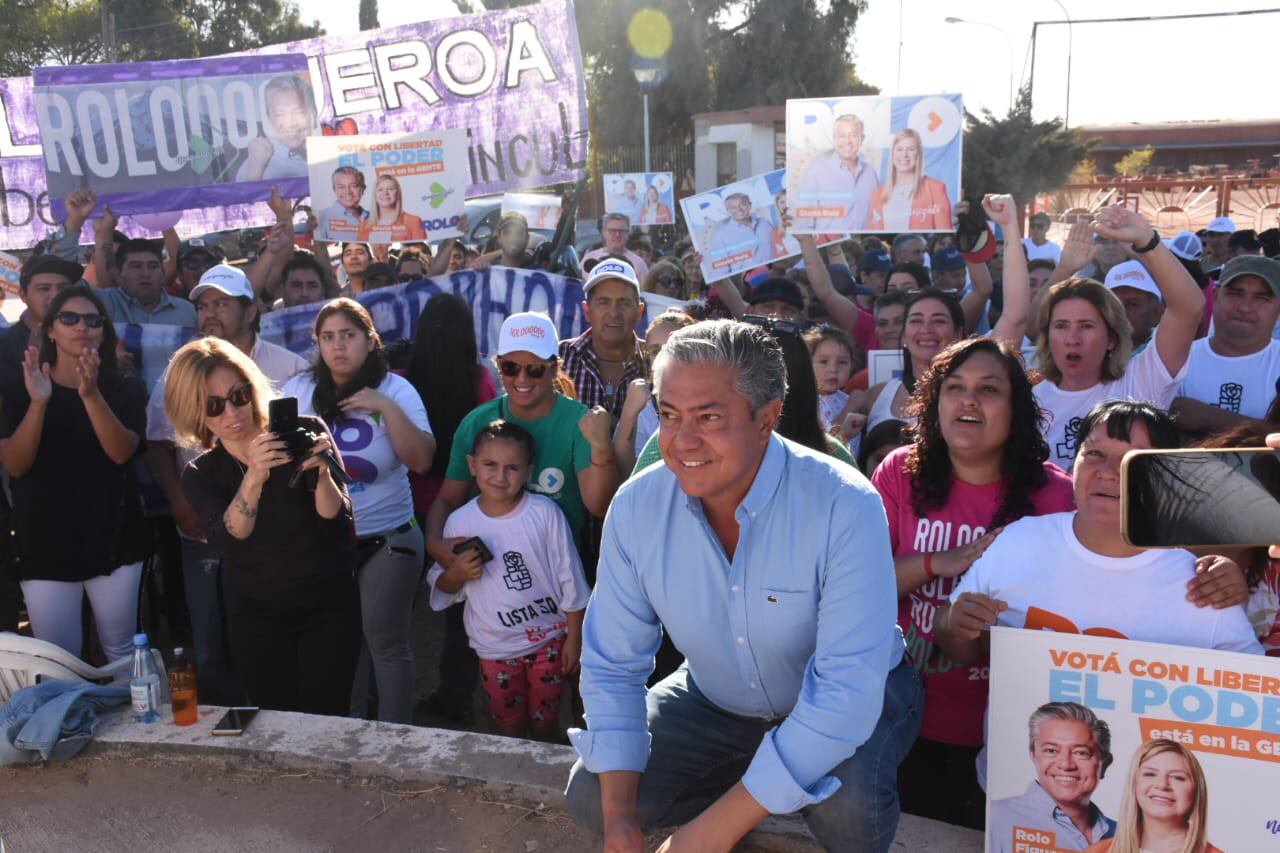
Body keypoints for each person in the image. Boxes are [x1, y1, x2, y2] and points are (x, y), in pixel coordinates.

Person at [563, 319, 922, 852]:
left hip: (857, 692)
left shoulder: (845, 503)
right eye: (668, 415)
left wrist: (708, 833)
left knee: (847, 815)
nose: (682, 441)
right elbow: (613, 662)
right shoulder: (638, 506)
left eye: (709, 417)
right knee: (595, 796)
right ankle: (757, 780)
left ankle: (754, 790)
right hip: (715, 697)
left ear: (767, 418)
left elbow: (845, 692)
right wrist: (620, 821)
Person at [871, 338, 1075, 829]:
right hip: (904, 716)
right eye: (954, 387)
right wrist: (939, 563)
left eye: (988, 389)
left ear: (1017, 408)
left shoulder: (1058, 494)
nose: (968, 400)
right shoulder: (899, 473)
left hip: (1010, 731)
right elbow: (859, 587)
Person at [937, 400, 1262, 667]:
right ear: (1072, 463)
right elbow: (961, 649)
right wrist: (954, 624)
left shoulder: (1201, 585)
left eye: (1133, 460)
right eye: (1094, 454)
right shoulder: (1017, 542)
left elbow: (1254, 691)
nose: (1108, 472)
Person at [169, 338, 360, 715]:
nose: (232, 412)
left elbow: (338, 520)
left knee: (328, 716)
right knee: (276, 720)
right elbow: (229, 537)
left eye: (238, 395)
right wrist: (255, 475)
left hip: (328, 606)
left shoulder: (306, 431)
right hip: (257, 616)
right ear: (195, 413)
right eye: (214, 405)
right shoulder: (202, 472)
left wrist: (323, 473)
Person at [145, 264, 307, 705]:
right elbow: (159, 444)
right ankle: (225, 721)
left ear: (250, 309)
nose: (209, 313)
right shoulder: (180, 373)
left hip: (276, 530)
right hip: (201, 529)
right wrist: (181, 503)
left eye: (221, 303)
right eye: (203, 305)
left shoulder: (291, 367)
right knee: (211, 635)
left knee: (273, 637)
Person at [283, 299, 433, 724]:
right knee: (340, 645)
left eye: (348, 335)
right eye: (328, 337)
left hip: (389, 538)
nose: (338, 346)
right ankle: (349, 737)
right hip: (324, 542)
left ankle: (395, 738)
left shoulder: (397, 390)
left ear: (370, 341)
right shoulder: (299, 390)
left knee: (385, 644)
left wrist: (383, 407)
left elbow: (422, 460)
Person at [0, 286, 150, 661]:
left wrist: (90, 394)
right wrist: (38, 404)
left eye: (92, 320)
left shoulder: (125, 387)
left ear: (102, 331)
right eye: (69, 318)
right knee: (58, 657)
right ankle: (72, 722)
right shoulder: (20, 390)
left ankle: (136, 721)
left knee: (122, 650)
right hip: (44, 539)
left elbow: (120, 453)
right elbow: (15, 464)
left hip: (112, 532)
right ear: (50, 329)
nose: (81, 326)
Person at [425, 312, 617, 583]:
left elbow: (598, 505)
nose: (522, 378)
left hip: (555, 573)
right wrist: (434, 543)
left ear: (553, 369)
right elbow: (448, 498)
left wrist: (600, 446)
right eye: (511, 368)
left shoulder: (579, 422)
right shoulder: (477, 421)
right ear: (499, 365)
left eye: (535, 369)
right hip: (486, 575)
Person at [428, 420, 589, 739]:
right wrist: (457, 573)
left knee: (545, 723)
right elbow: (442, 588)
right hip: (495, 647)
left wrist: (574, 636)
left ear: (528, 471)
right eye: (490, 465)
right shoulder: (460, 521)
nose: (500, 477)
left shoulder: (545, 514)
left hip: (549, 642)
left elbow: (571, 578)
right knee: (505, 725)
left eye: (512, 468)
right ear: (472, 465)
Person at [1033, 207, 1205, 470]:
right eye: (1061, 326)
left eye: (1087, 326)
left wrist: (1147, 243)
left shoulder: (1139, 383)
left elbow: (1189, 308)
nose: (1072, 338)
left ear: (1111, 339)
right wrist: (1065, 268)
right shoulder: (1030, 401)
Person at [404, 292, 498, 724]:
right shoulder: (478, 379)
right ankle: (456, 695)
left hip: (408, 507)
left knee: (400, 612)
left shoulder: (402, 378)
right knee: (461, 608)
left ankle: (395, 695)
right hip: (460, 507)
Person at [988, 702, 1117, 852]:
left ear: (1104, 764)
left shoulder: (1125, 833)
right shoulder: (998, 818)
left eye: (1081, 753)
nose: (1066, 764)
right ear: (1034, 756)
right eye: (1051, 750)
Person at [1173, 255, 1280, 435]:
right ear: (1215, 296)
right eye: (1235, 293)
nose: (1245, 307)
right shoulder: (1177, 358)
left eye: (1261, 298)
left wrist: (1210, 417)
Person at [1085, 739, 1223, 853]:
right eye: (1150, 774)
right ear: (1134, 784)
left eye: (1177, 777)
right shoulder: (1099, 851)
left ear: (1196, 791)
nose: (1162, 785)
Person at [559, 260, 648, 419]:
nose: (614, 313)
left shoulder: (655, 362)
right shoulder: (559, 357)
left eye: (624, 303)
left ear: (639, 312)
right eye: (604, 302)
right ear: (587, 310)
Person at [614, 310, 694, 473]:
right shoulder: (643, 404)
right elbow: (626, 474)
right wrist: (629, 413)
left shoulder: (714, 396)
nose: (663, 357)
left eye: (673, 348)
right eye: (655, 351)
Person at [0, 255, 80, 389]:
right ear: (23, 295)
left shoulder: (87, 335)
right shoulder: (5, 345)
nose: (55, 295)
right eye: (44, 288)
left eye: (63, 288)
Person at [795, 113, 880, 232]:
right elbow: (803, 223)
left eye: (854, 135)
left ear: (862, 138)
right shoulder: (815, 172)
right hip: (827, 249)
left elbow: (877, 215)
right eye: (842, 136)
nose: (848, 141)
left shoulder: (870, 172)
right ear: (834, 138)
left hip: (863, 247)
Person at [96, 239, 197, 327]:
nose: (145, 274)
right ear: (118, 273)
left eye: (153, 266)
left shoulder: (186, 311)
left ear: (163, 272)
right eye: (136, 266)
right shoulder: (104, 304)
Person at [866, 130, 953, 231]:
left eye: (911, 149)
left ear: (918, 154)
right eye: (899, 149)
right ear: (892, 154)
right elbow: (872, 236)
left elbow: (944, 237)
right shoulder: (878, 194)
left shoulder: (935, 189)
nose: (904, 155)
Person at [236, 74, 315, 182]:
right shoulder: (256, 164)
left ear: (311, 113)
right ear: (269, 117)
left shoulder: (327, 149)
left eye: (299, 112)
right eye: (280, 114)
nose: (291, 123)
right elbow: (244, 198)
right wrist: (255, 170)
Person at [1104, 260, 1165, 354]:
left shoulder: (1167, 354)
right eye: (1114, 304)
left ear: (1156, 313)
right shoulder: (1093, 350)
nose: (1122, 312)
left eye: (1133, 304)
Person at [805, 324, 856, 432]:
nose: (833, 369)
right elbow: (828, 440)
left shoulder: (846, 399)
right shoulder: (808, 402)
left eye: (842, 362)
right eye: (824, 361)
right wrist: (853, 405)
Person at [708, 192, 774, 270]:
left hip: (776, 270)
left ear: (749, 205)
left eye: (742, 204)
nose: (739, 210)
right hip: (750, 278)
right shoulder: (719, 235)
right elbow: (720, 267)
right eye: (733, 207)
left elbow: (778, 245)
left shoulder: (764, 223)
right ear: (728, 210)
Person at [356, 174, 427, 243]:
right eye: (380, 189)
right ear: (375, 194)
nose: (385, 193)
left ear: (397, 193)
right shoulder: (364, 226)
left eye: (390, 189)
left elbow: (419, 251)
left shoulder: (414, 222)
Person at [584, 214, 649, 279]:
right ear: (603, 233)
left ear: (628, 234)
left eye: (621, 231)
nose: (617, 234)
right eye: (612, 231)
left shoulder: (638, 264)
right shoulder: (590, 259)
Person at [317, 166, 370, 240]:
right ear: (334, 189)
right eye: (341, 187)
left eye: (353, 186)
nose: (348, 191)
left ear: (363, 188)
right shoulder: (321, 218)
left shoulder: (374, 216)